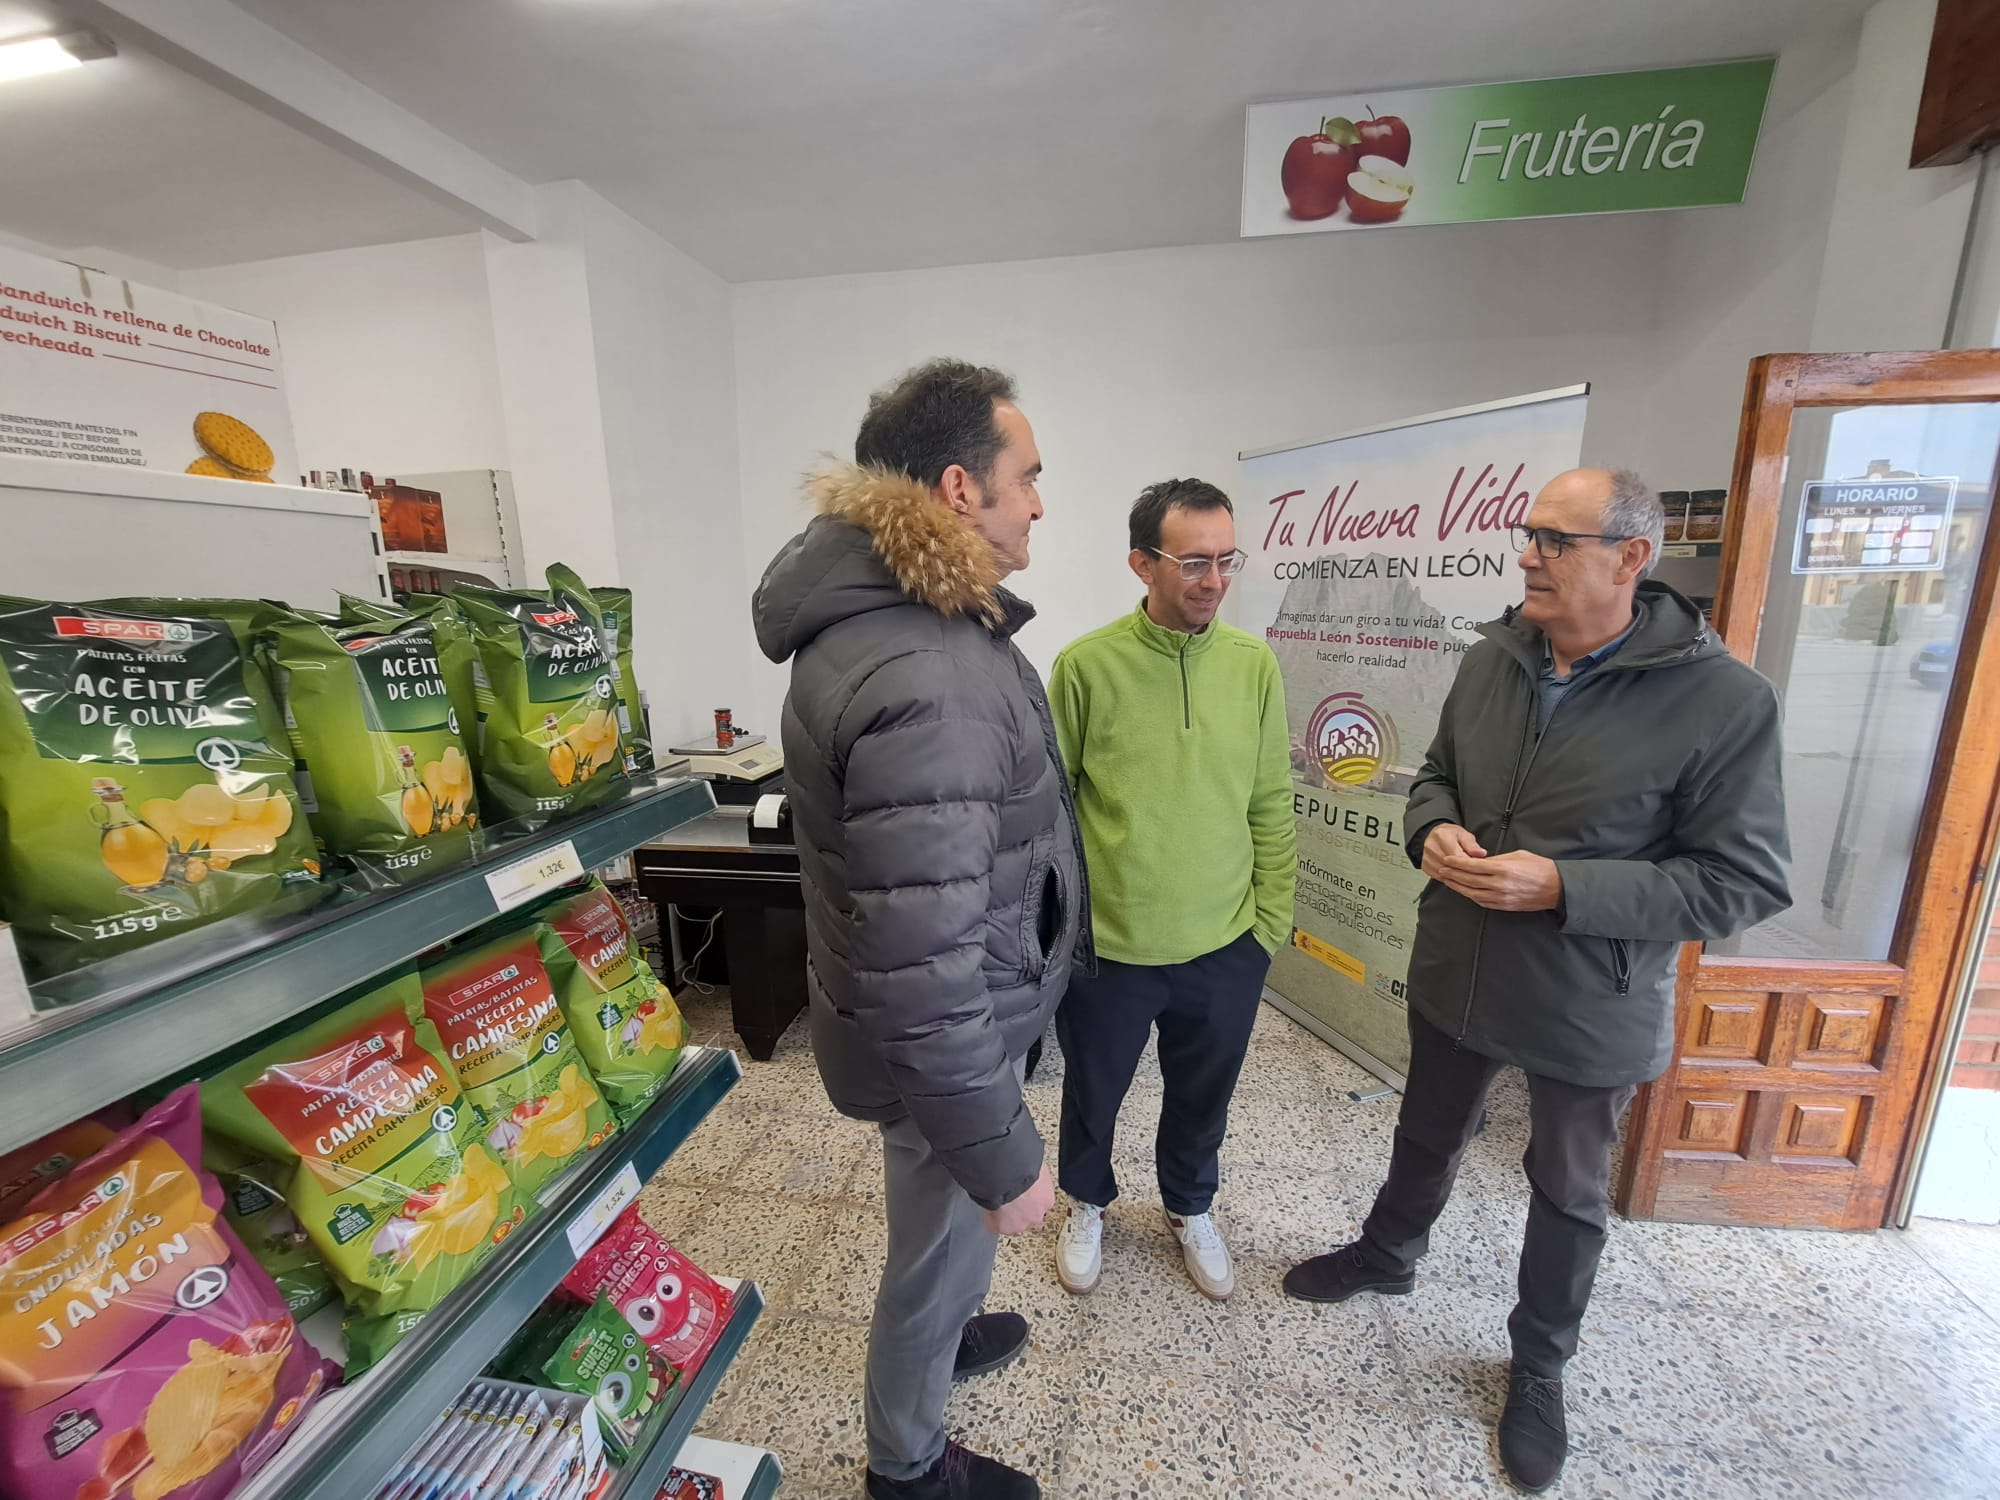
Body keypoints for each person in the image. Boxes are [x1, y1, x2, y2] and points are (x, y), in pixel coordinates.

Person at [1282, 468, 1790, 1493]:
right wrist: (1430, 831)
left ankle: (1539, 1365)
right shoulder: (1493, 658)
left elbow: (1741, 881)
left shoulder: (1722, 702)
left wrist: (1567, 885)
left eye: (1553, 540)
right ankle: (1388, 1252)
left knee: (1565, 1189)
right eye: (1528, 536)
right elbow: (1431, 776)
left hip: (1588, 994)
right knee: (1425, 1128)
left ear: (1630, 559)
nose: (1525, 555)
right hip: (1458, 964)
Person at [751, 359, 1091, 1500]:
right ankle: (908, 1468)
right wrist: (1007, 1157)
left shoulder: (905, 625)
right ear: (958, 488)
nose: (1039, 502)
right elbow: (925, 966)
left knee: (938, 1233)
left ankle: (948, 1332)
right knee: (938, 1250)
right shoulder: (932, 673)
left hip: (939, 1024)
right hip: (950, 1040)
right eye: (1025, 477)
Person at [1048, 478, 1295, 1300]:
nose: (1215, 580)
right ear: (1140, 563)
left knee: (1203, 1094)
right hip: (1111, 945)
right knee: (1094, 1091)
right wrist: (1064, 927)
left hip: (1225, 942)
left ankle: (1191, 1205)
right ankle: (1086, 1201)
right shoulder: (1087, 667)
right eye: (1194, 561)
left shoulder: (1253, 665)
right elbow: (1053, 810)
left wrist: (1269, 928)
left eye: (1228, 560)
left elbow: (1269, 801)